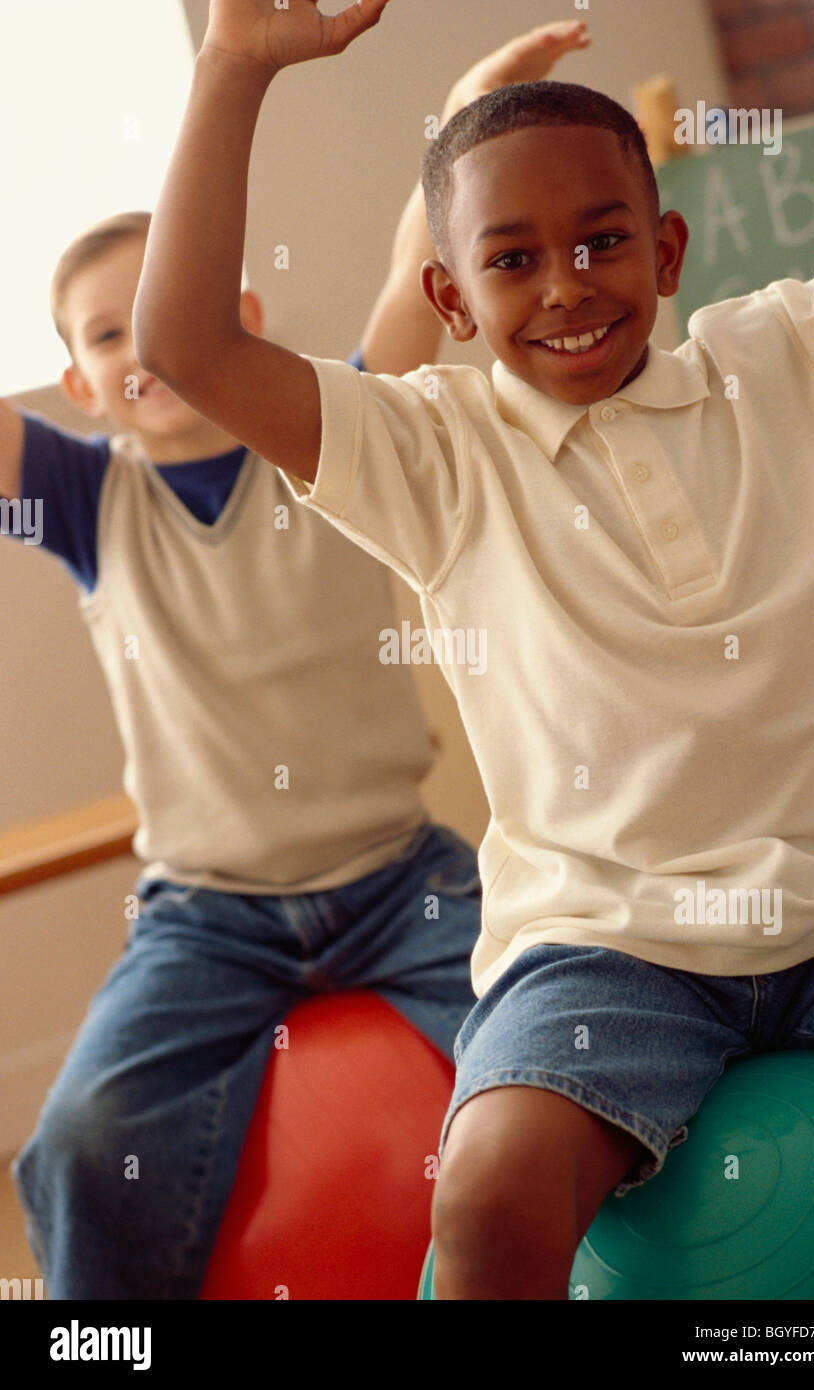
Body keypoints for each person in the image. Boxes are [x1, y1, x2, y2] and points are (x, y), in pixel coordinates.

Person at [134, 0, 814, 1300]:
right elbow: (188, 348)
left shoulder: (805, 352)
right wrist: (235, 65)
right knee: (485, 1190)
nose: (567, 283)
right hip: (607, 947)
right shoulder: (433, 454)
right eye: (512, 260)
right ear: (448, 297)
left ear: (666, 248)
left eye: (600, 241)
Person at [2, 16, 589, 1300]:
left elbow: (411, 266)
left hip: (400, 877)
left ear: (236, 313)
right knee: (80, 1142)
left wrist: (463, 113)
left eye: (158, 314)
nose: (139, 347)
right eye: (103, 340)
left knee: (576, 1056)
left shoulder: (330, 439)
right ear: (80, 385)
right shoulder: (76, 500)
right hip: (206, 914)